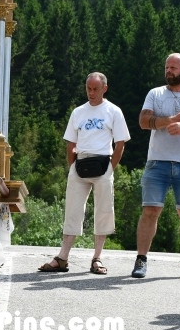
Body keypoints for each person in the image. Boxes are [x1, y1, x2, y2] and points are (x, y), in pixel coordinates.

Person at [38, 73, 130, 275]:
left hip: (103, 163)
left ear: (105, 88)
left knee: (104, 210)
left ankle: (97, 257)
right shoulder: (78, 112)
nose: (91, 92)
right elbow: (71, 141)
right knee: (72, 210)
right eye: (88, 88)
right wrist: (72, 165)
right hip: (80, 163)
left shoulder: (113, 111)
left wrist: (110, 168)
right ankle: (62, 257)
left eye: (95, 88)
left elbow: (120, 142)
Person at [132, 53, 180, 280]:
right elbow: (144, 122)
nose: (168, 71)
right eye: (166, 67)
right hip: (157, 161)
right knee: (150, 210)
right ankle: (141, 259)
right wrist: (171, 120)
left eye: (173, 67)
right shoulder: (155, 94)